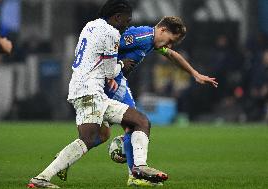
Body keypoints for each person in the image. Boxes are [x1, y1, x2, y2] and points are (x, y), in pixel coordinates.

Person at [56, 16, 218, 187]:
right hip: (111, 83)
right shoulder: (141, 36)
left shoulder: (152, 41)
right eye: (170, 40)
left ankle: (63, 159)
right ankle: (136, 174)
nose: (169, 46)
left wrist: (195, 74)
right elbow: (110, 45)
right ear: (162, 30)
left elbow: (171, 55)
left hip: (114, 82)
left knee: (102, 135)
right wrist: (111, 73)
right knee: (134, 124)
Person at [28, 0, 167, 188]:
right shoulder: (111, 33)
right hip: (90, 93)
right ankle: (43, 177)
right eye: (127, 20)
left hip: (84, 89)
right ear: (117, 17)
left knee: (119, 129)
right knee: (90, 138)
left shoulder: (90, 25)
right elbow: (110, 72)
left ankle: (139, 168)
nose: (128, 25)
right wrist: (122, 65)